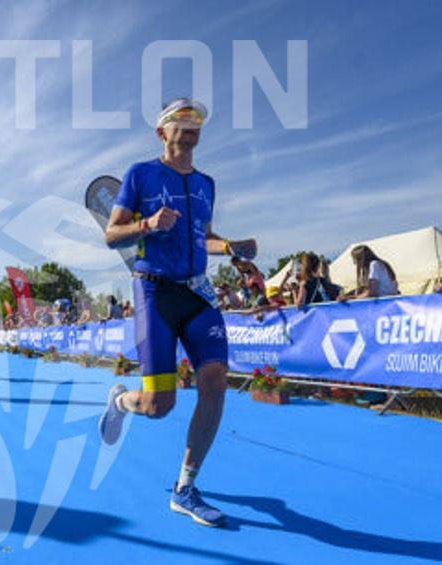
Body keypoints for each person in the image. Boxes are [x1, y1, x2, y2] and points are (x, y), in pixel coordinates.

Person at [99, 97, 256, 527]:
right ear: (161, 132)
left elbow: (203, 236)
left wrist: (232, 248)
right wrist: (147, 224)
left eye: (196, 120)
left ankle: (185, 488)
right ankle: (122, 401)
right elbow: (112, 235)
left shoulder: (206, 183)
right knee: (159, 405)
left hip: (198, 293)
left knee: (215, 381)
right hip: (154, 292)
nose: (190, 125)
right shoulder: (140, 174)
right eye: (180, 119)